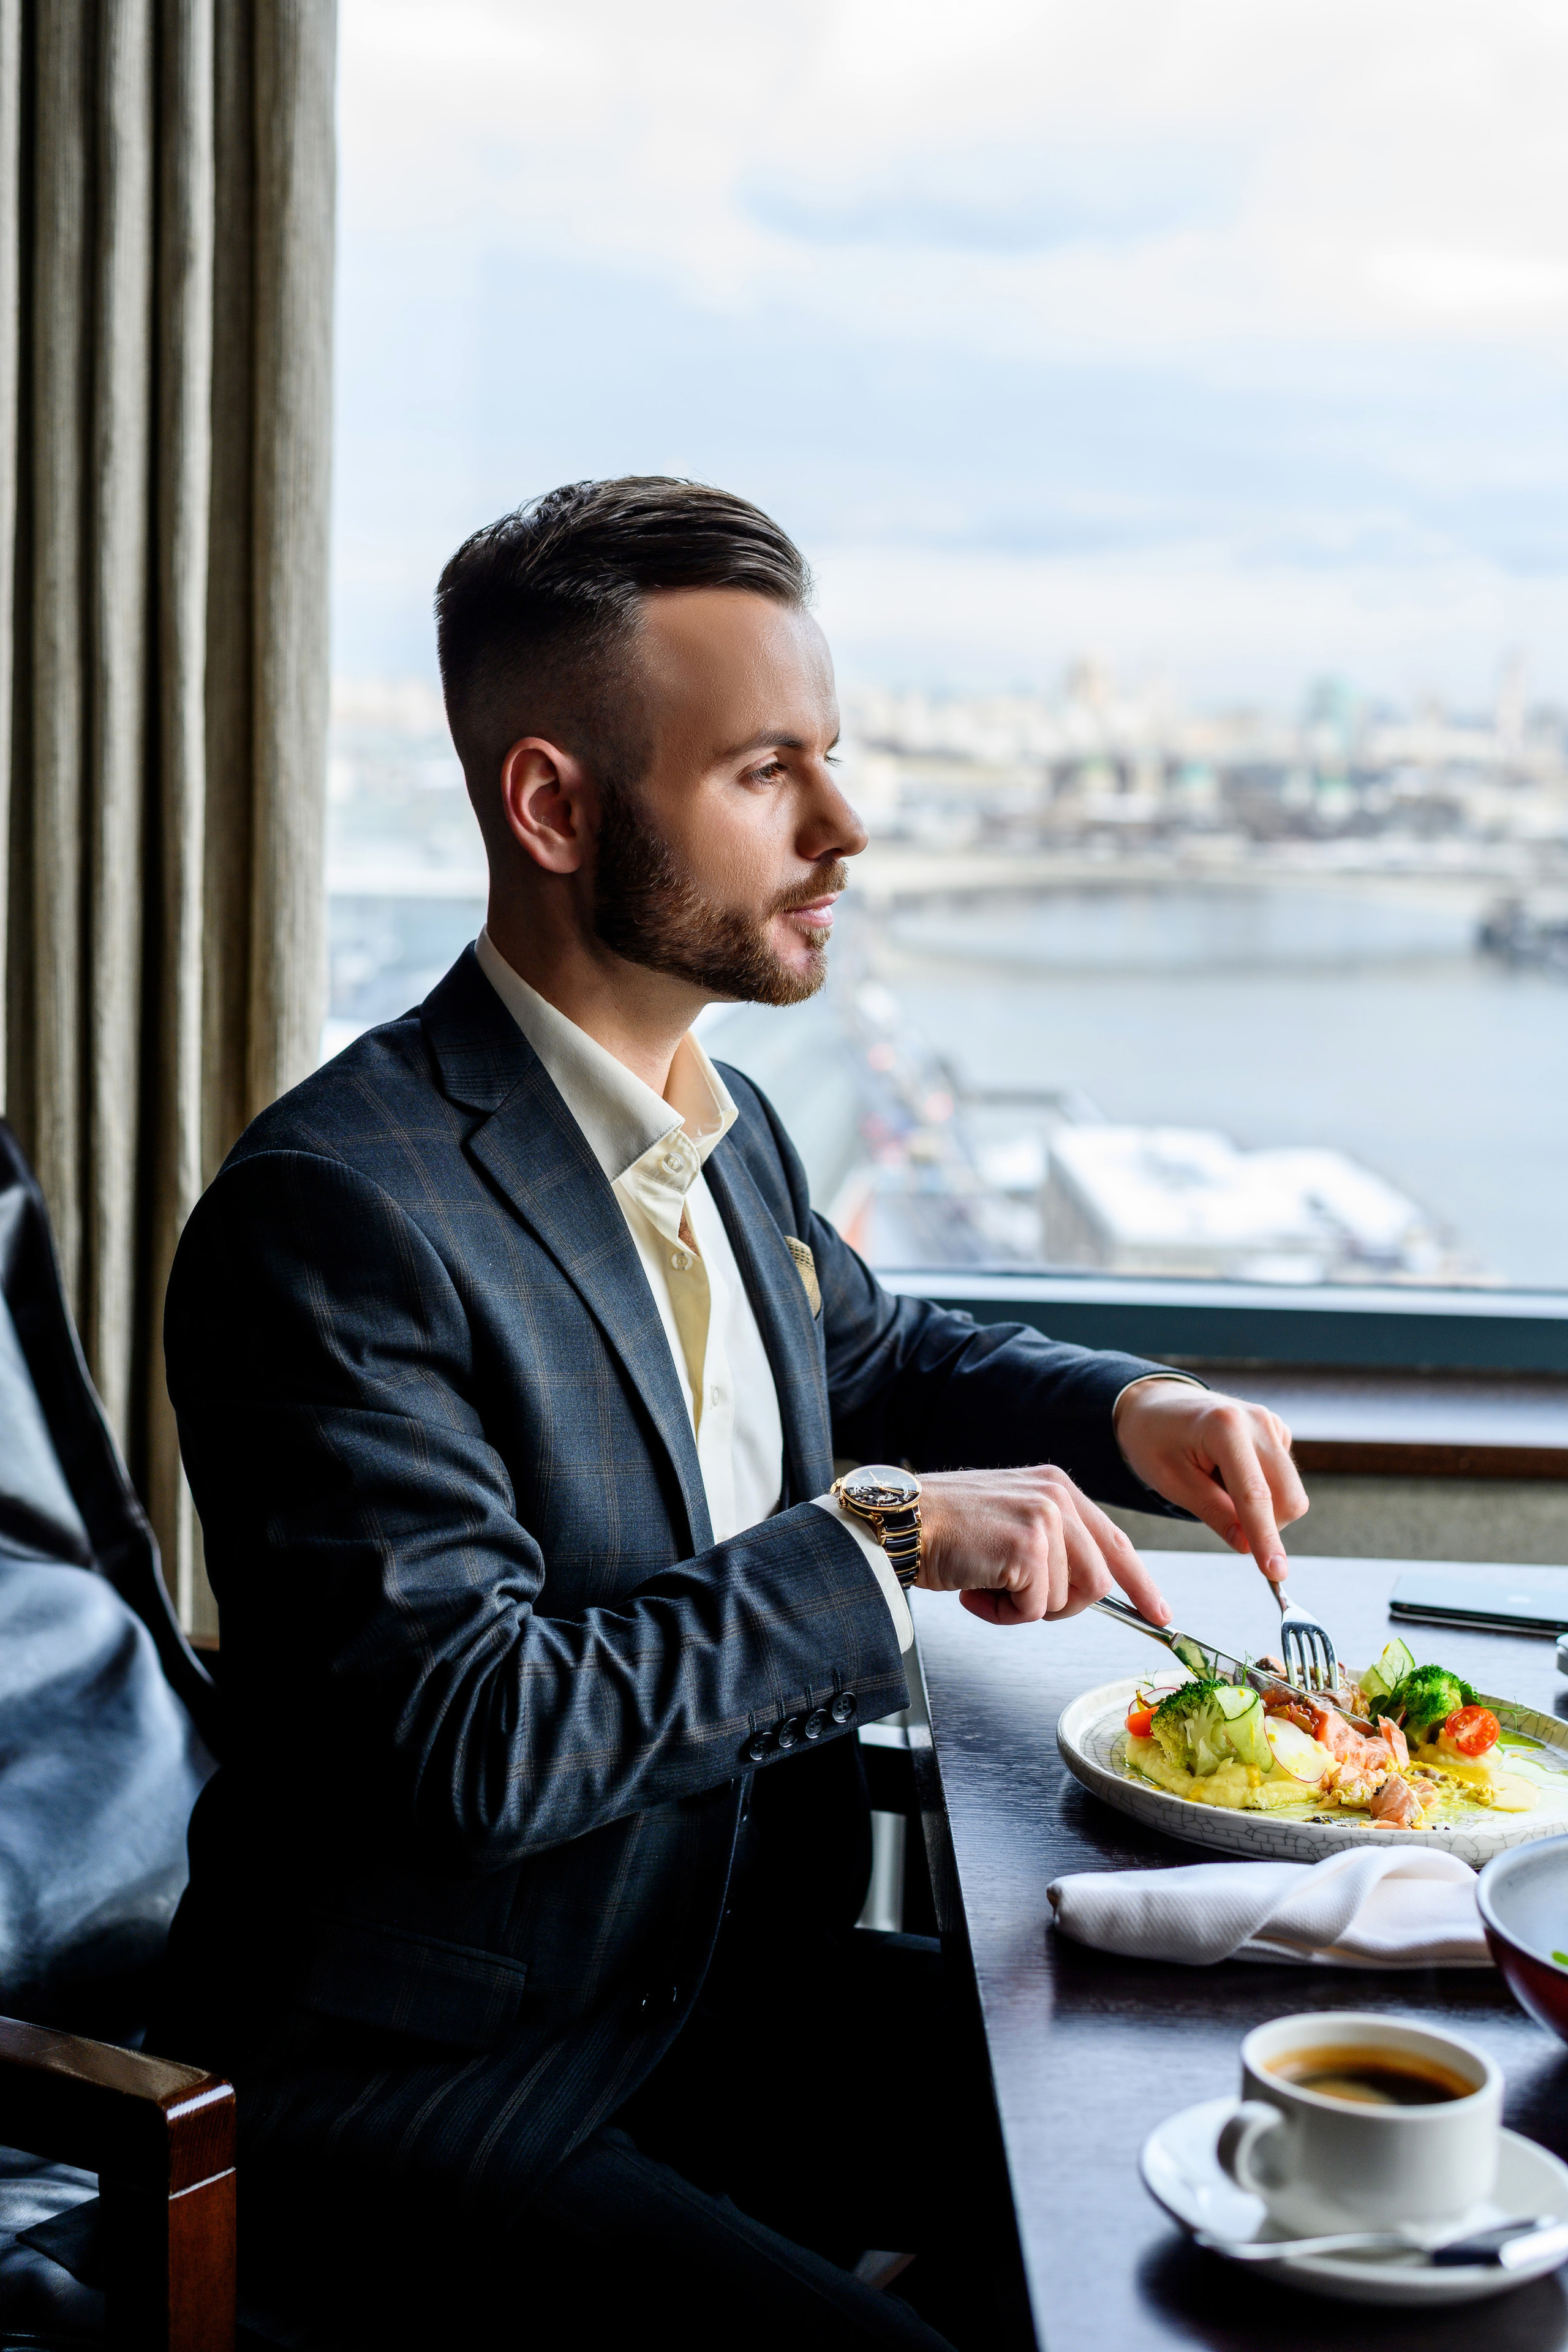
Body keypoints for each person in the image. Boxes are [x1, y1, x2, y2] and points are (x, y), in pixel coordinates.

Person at [159, 478, 1307, 2348]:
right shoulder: (339, 1215)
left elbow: (874, 1350)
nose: (847, 829)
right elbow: (479, 1740)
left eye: (830, 760)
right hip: (450, 2076)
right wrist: (892, 1539)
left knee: (1208, 2166)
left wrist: (1135, 1406)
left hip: (720, 1994)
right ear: (550, 805)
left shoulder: (722, 1122)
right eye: (770, 772)